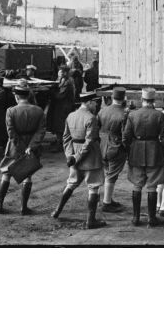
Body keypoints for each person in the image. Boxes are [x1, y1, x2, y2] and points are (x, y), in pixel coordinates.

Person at [51, 92, 105, 229]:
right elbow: (89, 141)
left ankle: (57, 210)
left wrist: (71, 156)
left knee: (71, 183)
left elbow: (66, 138)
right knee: (93, 187)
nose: (96, 105)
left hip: (74, 155)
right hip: (90, 157)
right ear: (89, 102)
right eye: (95, 102)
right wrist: (78, 157)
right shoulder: (91, 118)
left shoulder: (71, 116)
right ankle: (90, 220)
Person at [0, 80, 46, 215]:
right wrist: (31, 147)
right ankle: (24, 207)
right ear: (28, 95)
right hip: (31, 147)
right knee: (27, 174)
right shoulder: (39, 111)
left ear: (16, 96)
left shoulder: (11, 111)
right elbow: (41, 131)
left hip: (14, 146)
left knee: (6, 173)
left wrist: (20, 146)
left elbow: (11, 132)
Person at [122, 88, 164, 227]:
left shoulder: (133, 114)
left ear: (142, 100)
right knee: (152, 186)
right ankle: (152, 218)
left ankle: (136, 218)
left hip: (136, 150)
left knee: (137, 184)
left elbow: (126, 136)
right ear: (153, 101)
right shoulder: (159, 115)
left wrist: (129, 150)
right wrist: (163, 154)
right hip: (154, 150)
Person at [97, 86, 129, 213]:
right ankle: (106, 202)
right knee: (112, 175)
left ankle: (107, 199)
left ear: (111, 97)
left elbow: (96, 127)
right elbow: (125, 135)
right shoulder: (124, 114)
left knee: (106, 172)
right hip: (116, 146)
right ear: (124, 98)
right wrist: (128, 149)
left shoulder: (102, 111)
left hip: (102, 144)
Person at [48, 65, 76, 151]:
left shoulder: (68, 82)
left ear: (65, 73)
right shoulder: (63, 79)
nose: (58, 73)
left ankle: (61, 144)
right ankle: (59, 140)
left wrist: (51, 91)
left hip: (64, 106)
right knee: (58, 124)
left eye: (60, 72)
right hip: (62, 105)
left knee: (60, 125)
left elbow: (60, 96)